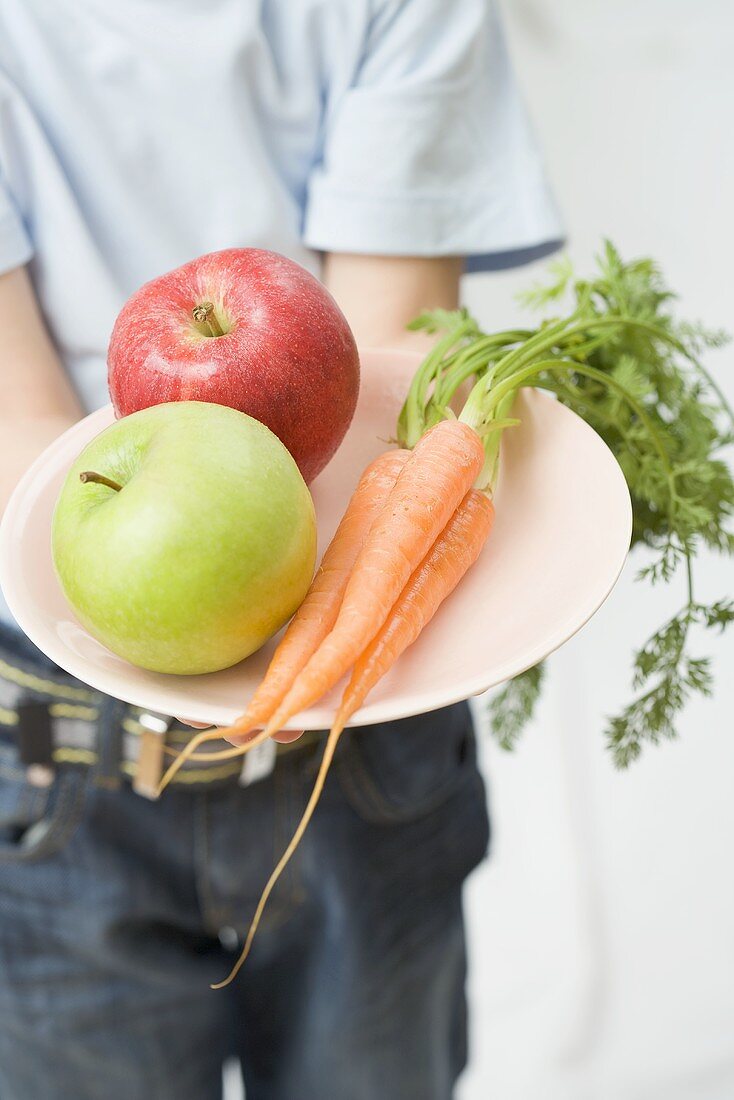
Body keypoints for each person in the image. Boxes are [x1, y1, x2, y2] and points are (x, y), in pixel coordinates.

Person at [0, 2, 562, 1097]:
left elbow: (369, 393)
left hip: (363, 718)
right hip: (59, 753)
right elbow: (24, 459)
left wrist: (294, 648)